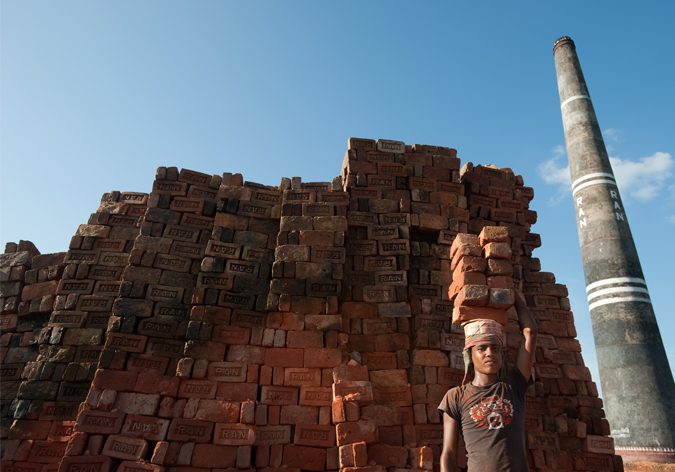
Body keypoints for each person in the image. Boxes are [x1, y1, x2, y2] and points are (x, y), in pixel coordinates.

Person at [438, 291, 537, 471]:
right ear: (470, 355)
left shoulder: (513, 386)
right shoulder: (455, 397)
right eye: (482, 348)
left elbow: (530, 333)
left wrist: (512, 294)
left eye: (495, 348)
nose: (489, 353)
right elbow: (449, 453)